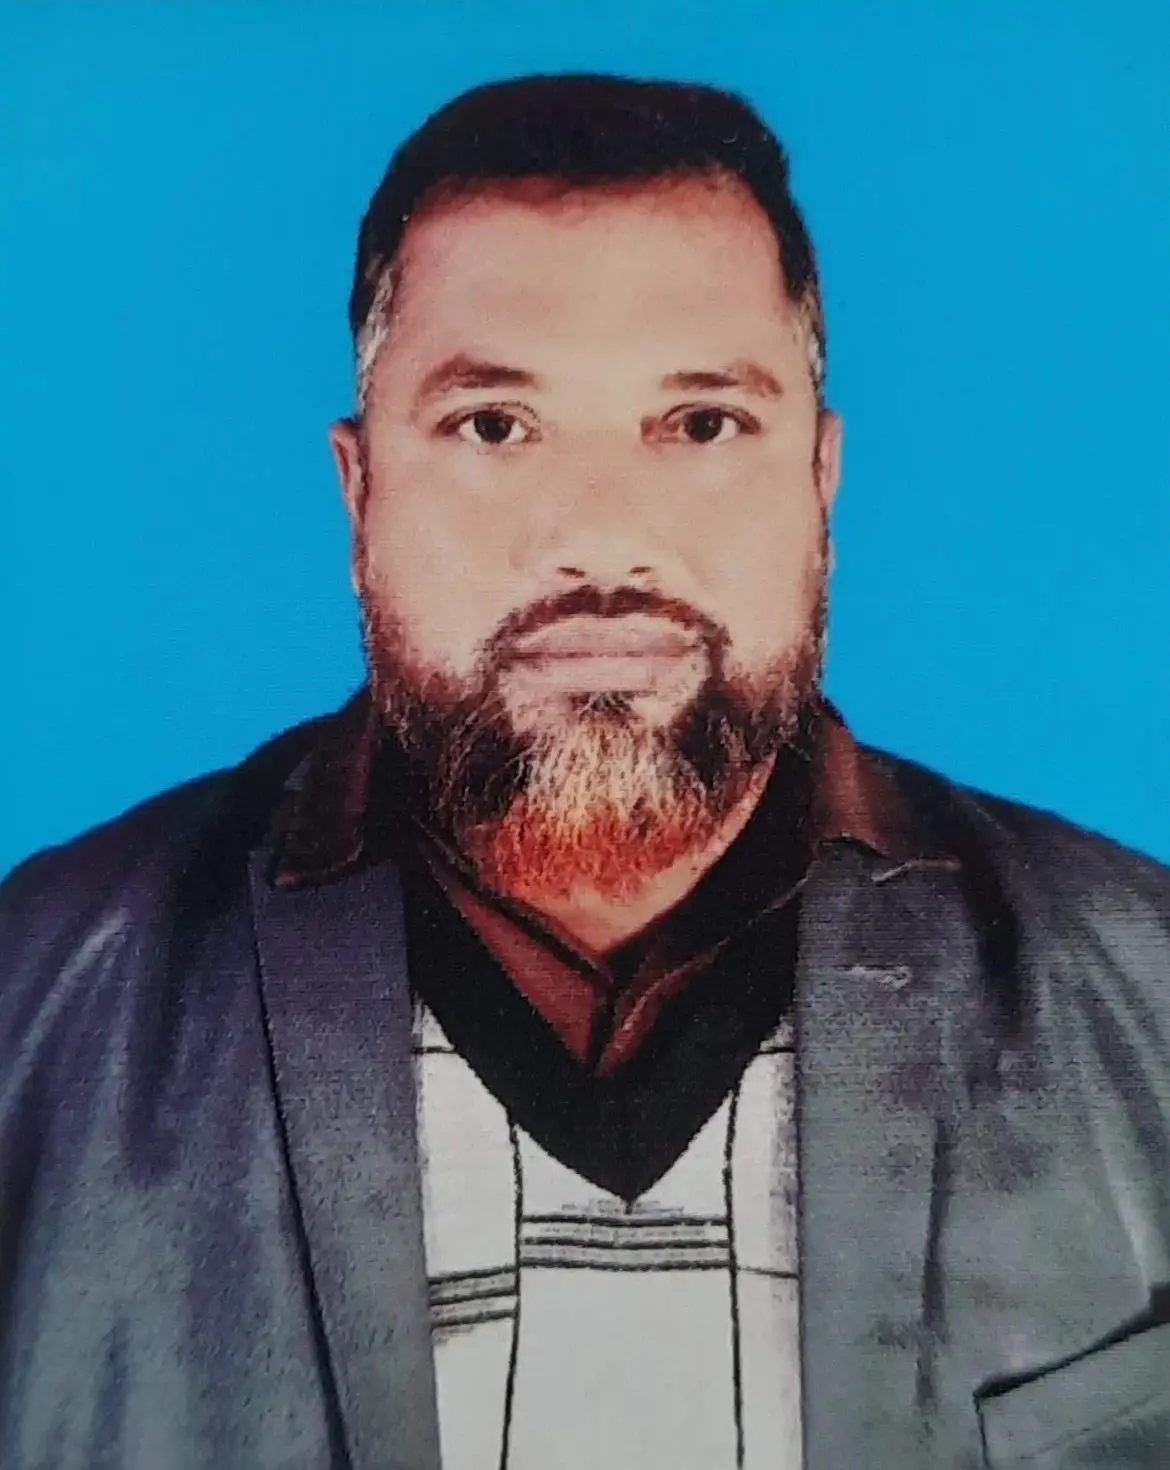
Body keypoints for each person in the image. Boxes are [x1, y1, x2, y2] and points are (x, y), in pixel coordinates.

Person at [1, 72, 1168, 1470]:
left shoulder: (1147, 991)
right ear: (359, 495)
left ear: (821, 483)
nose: (603, 538)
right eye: (495, 424)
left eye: (702, 423)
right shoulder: (32, 1005)